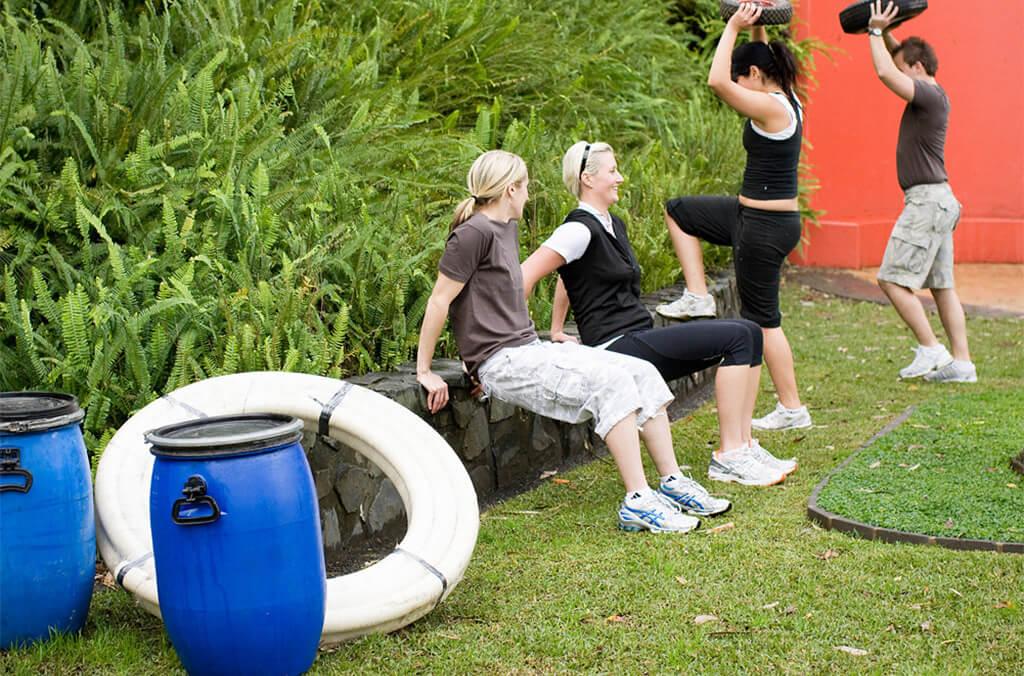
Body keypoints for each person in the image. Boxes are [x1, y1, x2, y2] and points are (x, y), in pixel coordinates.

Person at [416, 149, 713, 534]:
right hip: (502, 361)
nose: (528, 195)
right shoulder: (473, 233)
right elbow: (440, 299)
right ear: (510, 189)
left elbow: (495, 302)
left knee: (639, 370)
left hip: (526, 349)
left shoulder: (504, 229)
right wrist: (427, 370)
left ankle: (672, 481)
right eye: (525, 188)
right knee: (613, 383)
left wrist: (549, 335)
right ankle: (638, 500)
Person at [521, 140, 795, 490]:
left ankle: (743, 446)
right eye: (612, 171)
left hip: (638, 339)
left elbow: (568, 276)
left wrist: (557, 328)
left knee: (752, 333)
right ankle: (729, 455)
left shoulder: (611, 224)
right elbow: (526, 274)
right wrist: (524, 337)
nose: (620, 178)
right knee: (740, 335)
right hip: (617, 347)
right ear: (587, 180)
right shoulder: (577, 228)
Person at [655, 3, 811, 431]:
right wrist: (758, 26)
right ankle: (698, 294)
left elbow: (717, 80)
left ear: (756, 78)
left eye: (748, 79)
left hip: (764, 228)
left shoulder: (773, 108)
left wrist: (732, 25)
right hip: (751, 217)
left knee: (763, 321)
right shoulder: (788, 99)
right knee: (680, 211)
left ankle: (792, 408)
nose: (744, 87)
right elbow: (763, 61)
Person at [865, 0, 976, 382]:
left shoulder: (926, 94)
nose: (902, 77)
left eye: (905, 71)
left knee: (892, 279)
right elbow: (898, 59)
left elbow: (884, 71)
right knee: (942, 286)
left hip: (927, 202)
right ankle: (962, 364)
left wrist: (875, 31)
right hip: (939, 200)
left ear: (917, 68)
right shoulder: (934, 91)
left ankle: (931, 349)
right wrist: (890, 28)